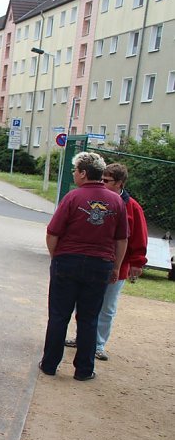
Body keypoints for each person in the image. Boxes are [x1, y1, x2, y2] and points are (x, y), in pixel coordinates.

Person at [39, 152, 128, 382]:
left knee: (59, 315)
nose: (74, 174)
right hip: (100, 264)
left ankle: (50, 364)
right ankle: (84, 370)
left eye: (75, 170)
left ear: (84, 173)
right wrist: (116, 266)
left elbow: (53, 232)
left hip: (68, 260)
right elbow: (121, 239)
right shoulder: (116, 201)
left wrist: (55, 257)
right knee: (89, 318)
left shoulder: (72, 198)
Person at [65, 163, 148, 360]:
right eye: (101, 179)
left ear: (119, 183)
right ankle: (83, 338)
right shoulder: (93, 199)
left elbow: (138, 236)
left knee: (107, 306)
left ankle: (98, 344)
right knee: (84, 303)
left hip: (117, 264)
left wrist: (137, 261)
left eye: (107, 181)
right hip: (93, 261)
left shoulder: (132, 207)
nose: (102, 183)